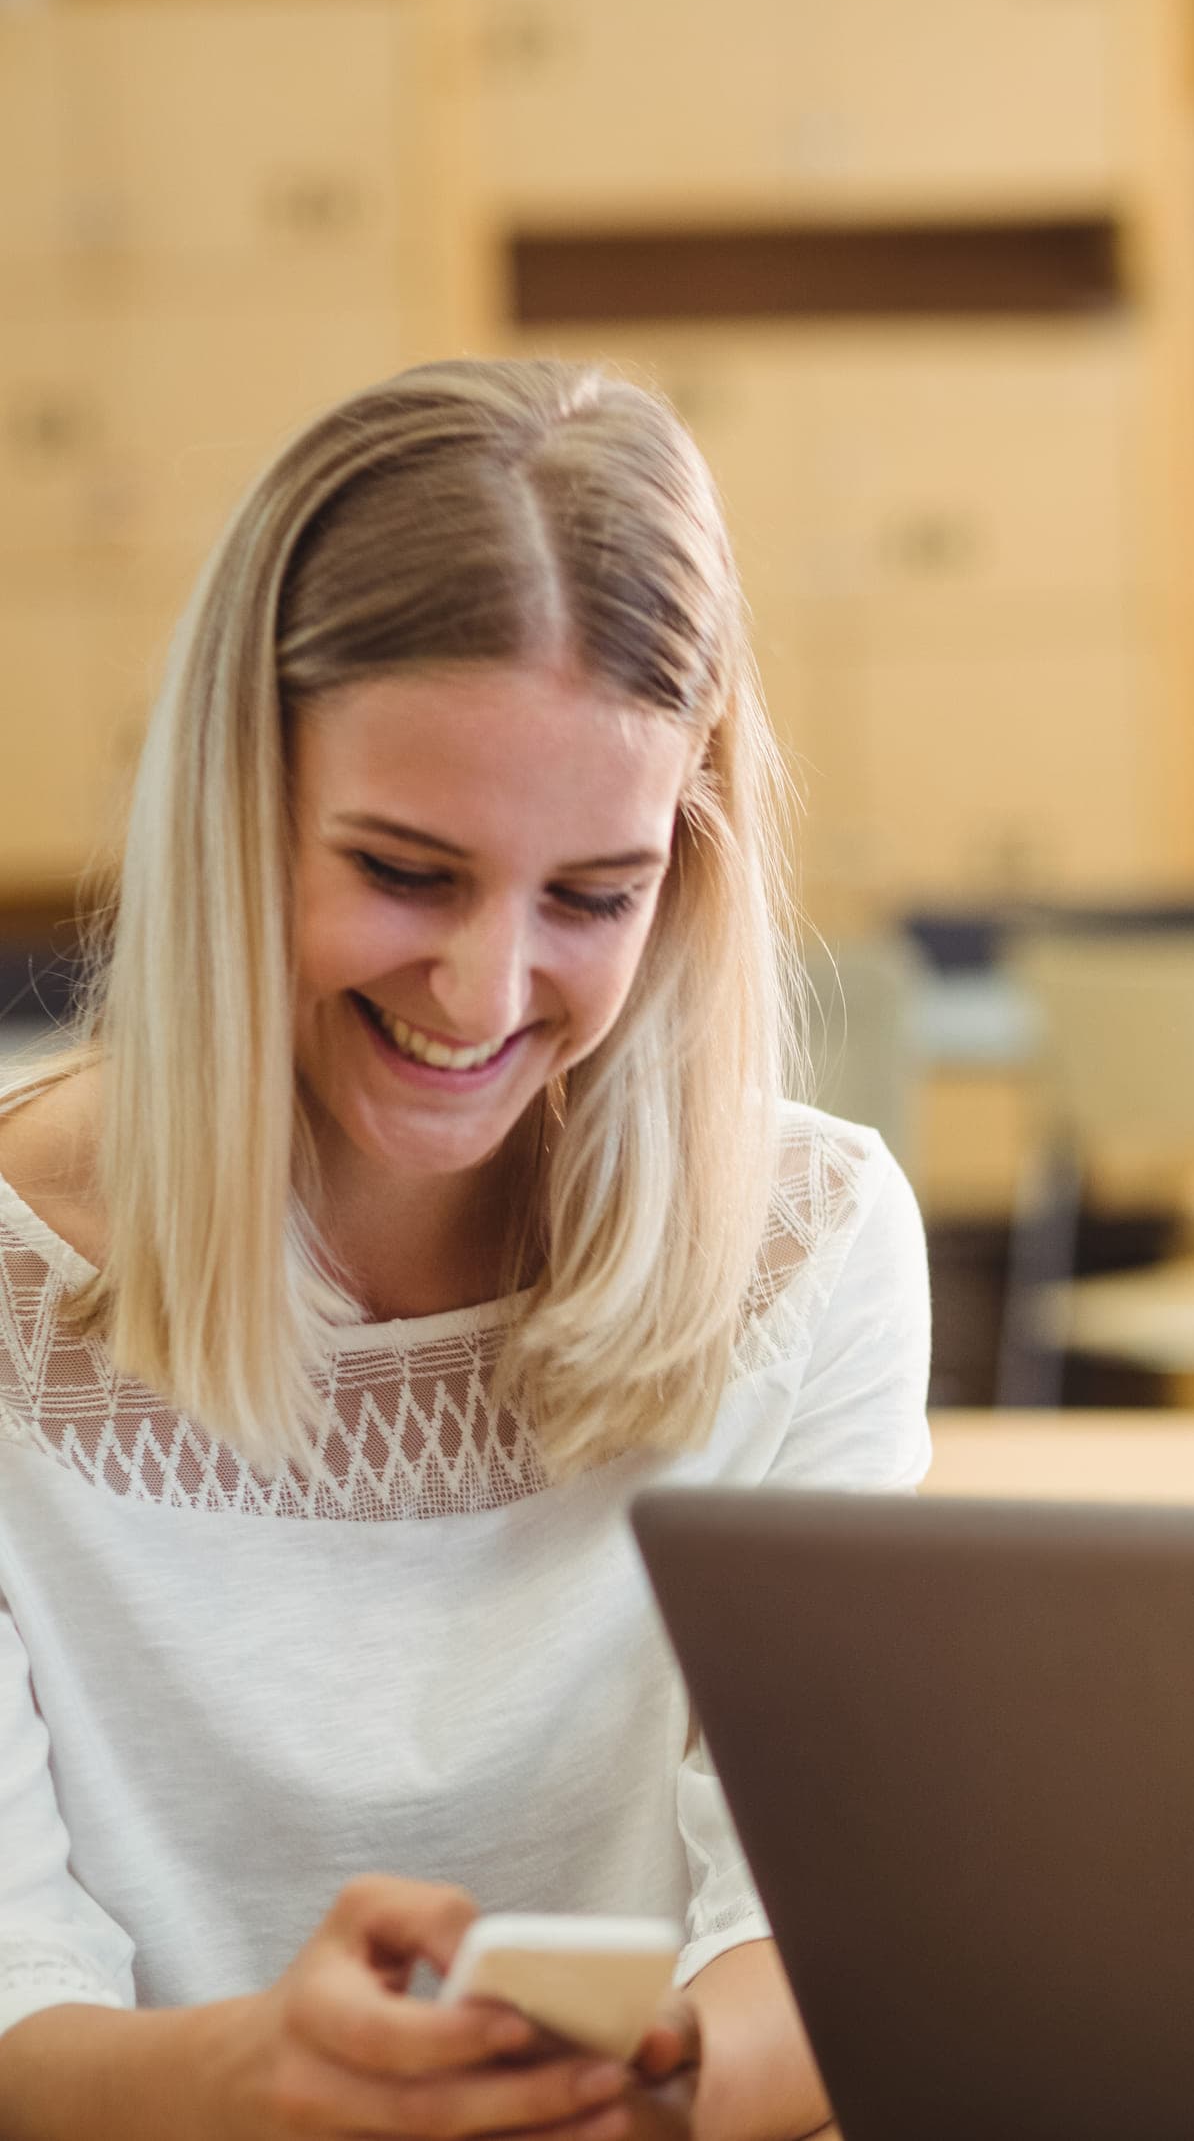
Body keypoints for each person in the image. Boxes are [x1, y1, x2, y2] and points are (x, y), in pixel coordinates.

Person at [0, 360, 927, 2141]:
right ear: (235, 809)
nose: (487, 997)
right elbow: (15, 1999)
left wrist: (624, 2110)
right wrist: (267, 2084)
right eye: (407, 872)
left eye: (596, 894)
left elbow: (813, 1930)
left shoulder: (812, 1246)